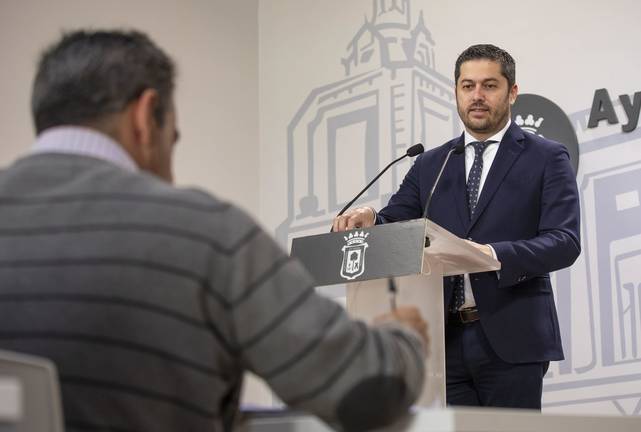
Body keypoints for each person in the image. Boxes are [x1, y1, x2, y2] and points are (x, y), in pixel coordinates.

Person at [0, 30, 430, 432]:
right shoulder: (205, 233)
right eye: (173, 139)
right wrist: (403, 338)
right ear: (146, 116)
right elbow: (368, 389)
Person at [333, 44, 581, 409]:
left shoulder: (546, 156)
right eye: (468, 86)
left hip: (513, 336)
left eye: (489, 85)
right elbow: (394, 222)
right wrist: (370, 217)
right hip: (443, 341)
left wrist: (492, 255)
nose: (477, 96)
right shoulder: (430, 164)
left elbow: (564, 241)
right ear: (456, 92)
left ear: (512, 92)